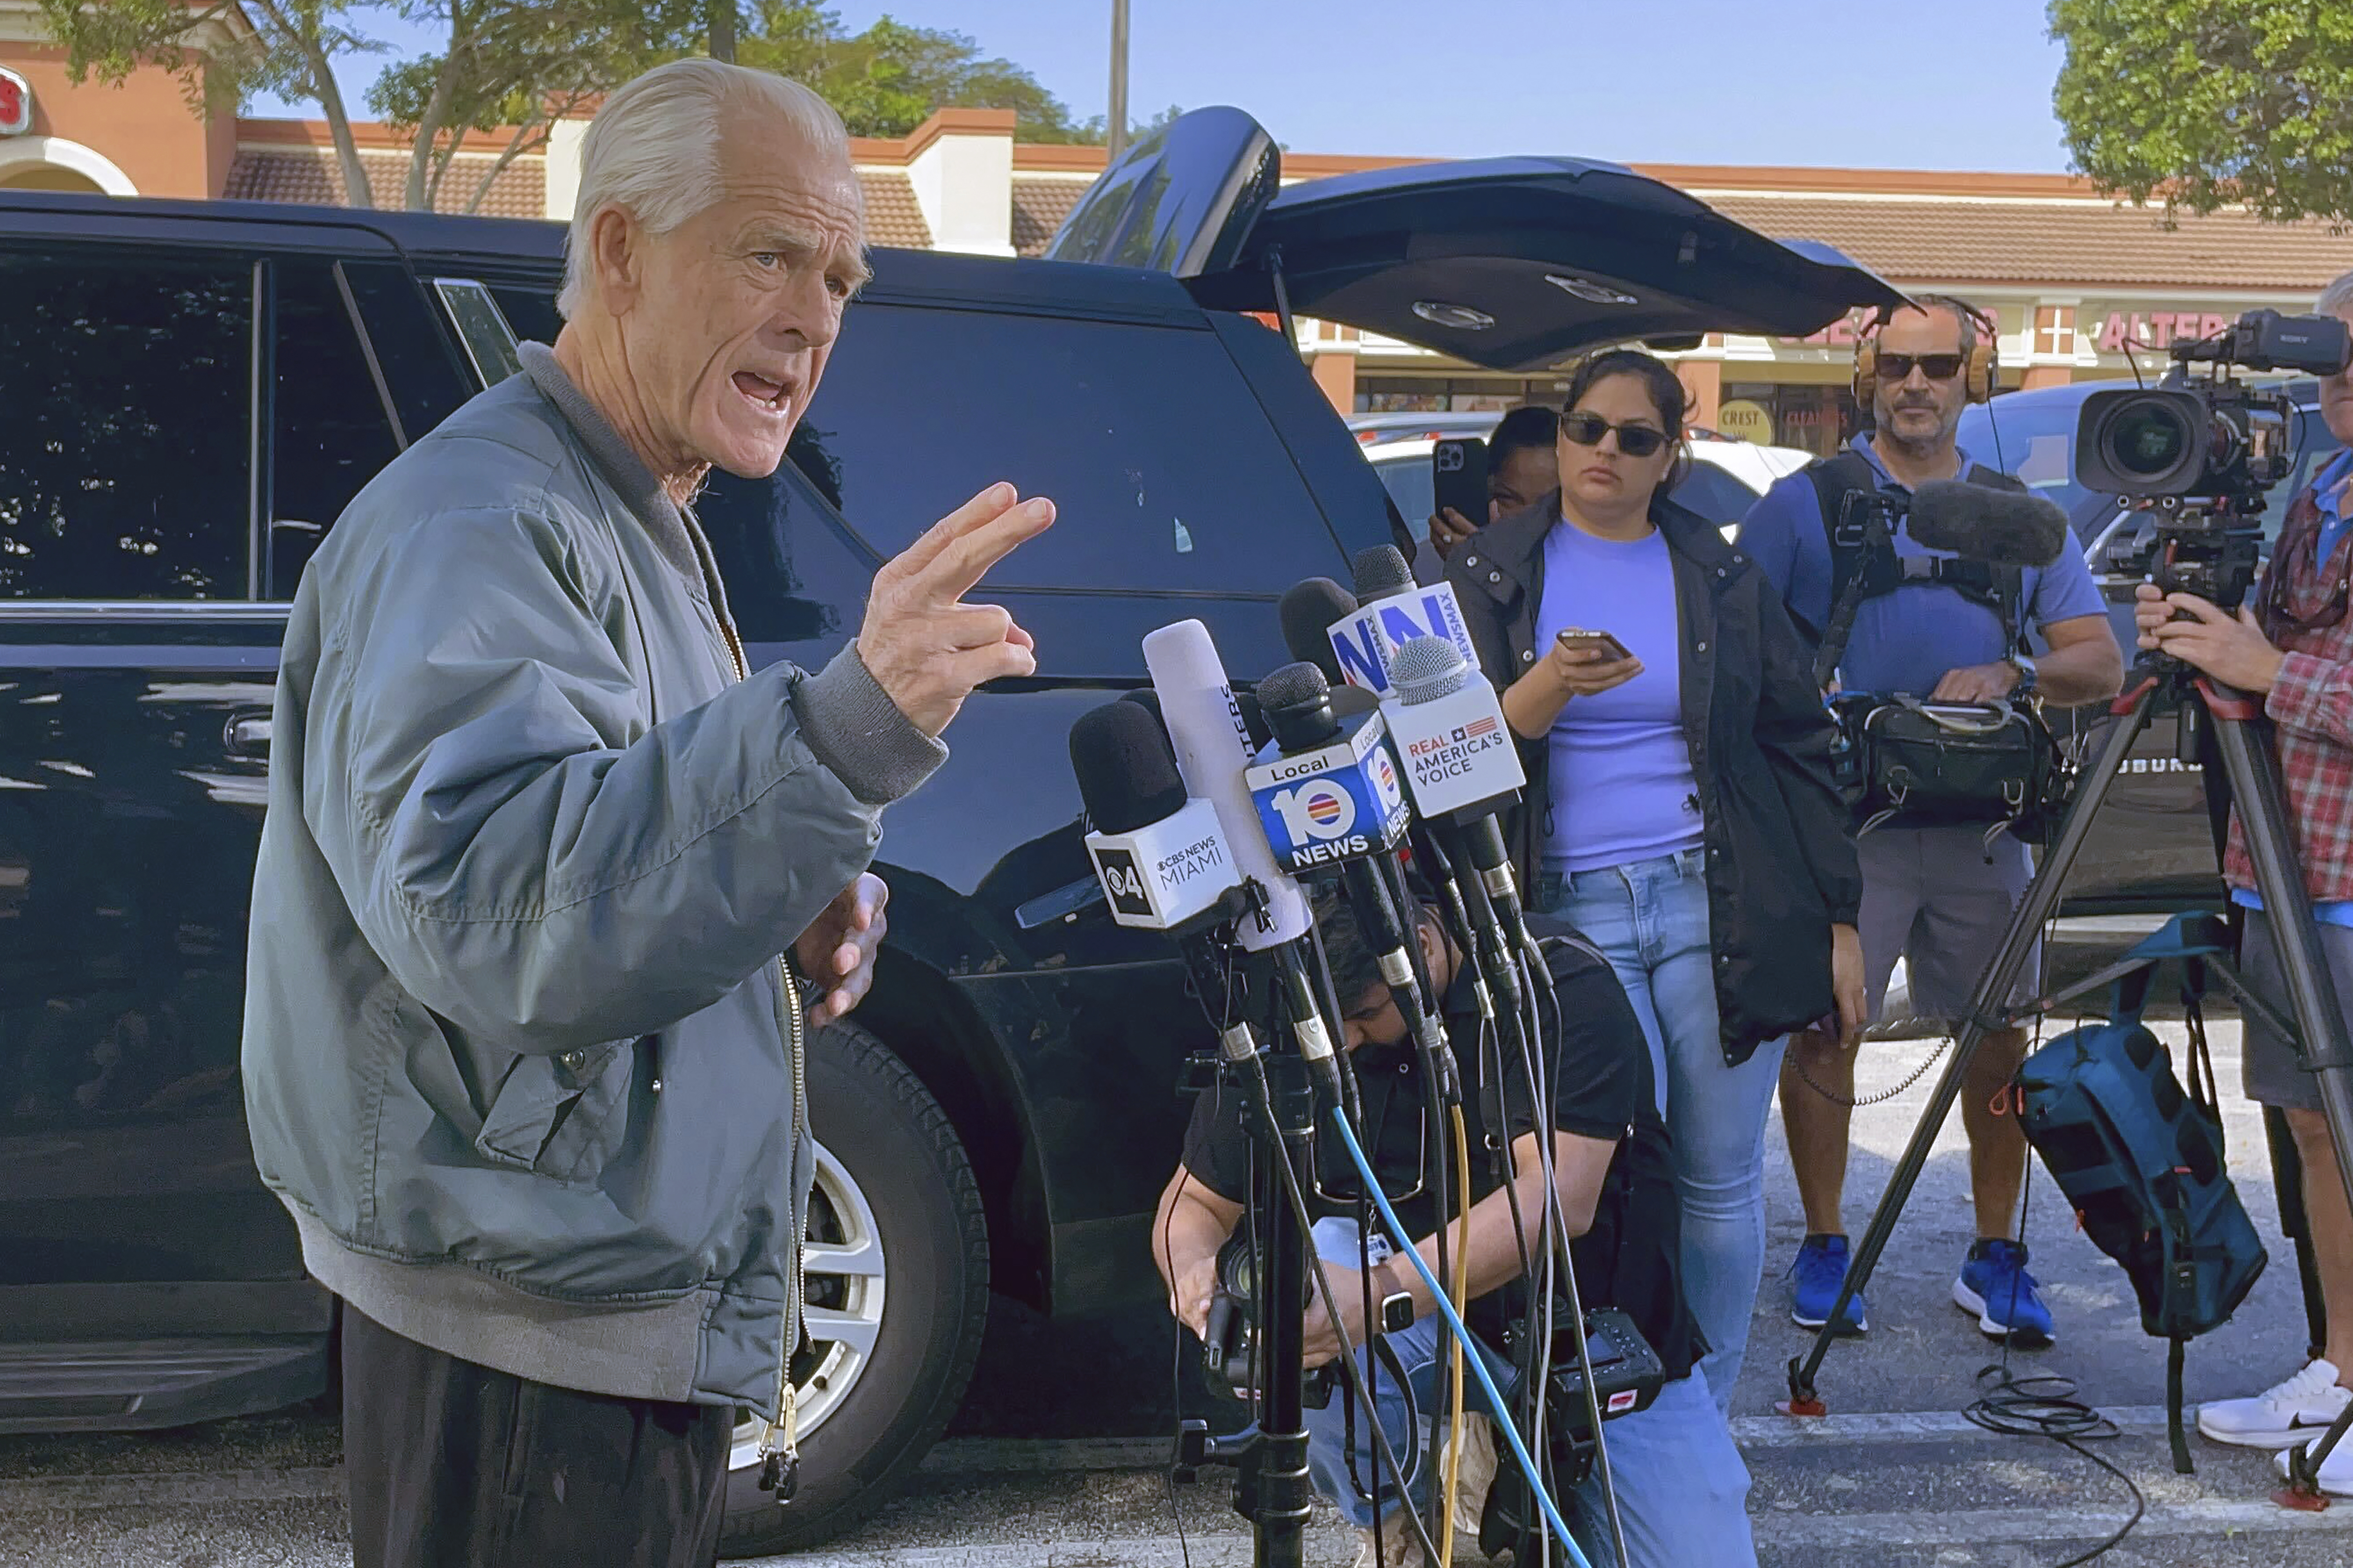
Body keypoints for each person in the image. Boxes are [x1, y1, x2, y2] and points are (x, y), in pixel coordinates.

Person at [240, 61, 1052, 1568]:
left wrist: (780, 901)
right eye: (768, 253)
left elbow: (630, 843)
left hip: (595, 1307)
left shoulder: (631, 509)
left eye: (839, 273)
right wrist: (845, 729)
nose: (816, 315)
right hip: (527, 1340)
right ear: (615, 250)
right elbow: (505, 916)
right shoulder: (479, 521)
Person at [1445, 350, 1867, 1420]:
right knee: (1603, 1180)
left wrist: (1841, 919)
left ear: (1671, 454)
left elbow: (1800, 742)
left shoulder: (1719, 574)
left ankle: (1703, 1417)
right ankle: (1611, 1402)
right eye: (1589, 428)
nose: (1605, 452)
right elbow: (1437, 765)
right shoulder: (1491, 574)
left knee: (1722, 1180)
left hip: (1710, 899)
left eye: (1637, 437)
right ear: (1563, 433)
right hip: (1571, 912)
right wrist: (1535, 693)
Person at [1153, 889, 1756, 1568]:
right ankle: (1390, 1525)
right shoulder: (1297, 1022)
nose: (1344, 1040)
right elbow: (1192, 1204)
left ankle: (1521, 1462)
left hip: (1587, 1325)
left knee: (1698, 1556)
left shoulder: (1555, 981)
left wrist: (1380, 1293)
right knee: (1305, 1284)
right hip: (1418, 1322)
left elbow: (1556, 1201)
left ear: (1422, 944)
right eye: (1330, 1022)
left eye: (1364, 1014)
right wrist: (1198, 1281)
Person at [1740, 297, 2124, 1346]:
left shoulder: (2017, 514)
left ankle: (1996, 1249)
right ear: (1870, 376)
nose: (1918, 383)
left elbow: (2101, 660)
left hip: (1986, 830)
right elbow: (1731, 650)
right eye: (1899, 365)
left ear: (1971, 378)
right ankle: (1826, 1241)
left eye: (1939, 366)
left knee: (1998, 1037)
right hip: (1847, 825)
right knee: (1827, 1027)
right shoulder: (1804, 503)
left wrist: (2020, 667)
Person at [2157, 270, 2353, 1494]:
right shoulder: (2316, 488)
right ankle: (2340, 1366)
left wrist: (2261, 664)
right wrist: (2193, 627)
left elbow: (2286, 671)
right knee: (2309, 1129)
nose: (2340, 371)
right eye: (2331, 347)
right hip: (2283, 864)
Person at [1426, 404, 1562, 561]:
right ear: (1487, 490)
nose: (1529, 520)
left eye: (1549, 504)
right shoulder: (1428, 564)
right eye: (1509, 500)